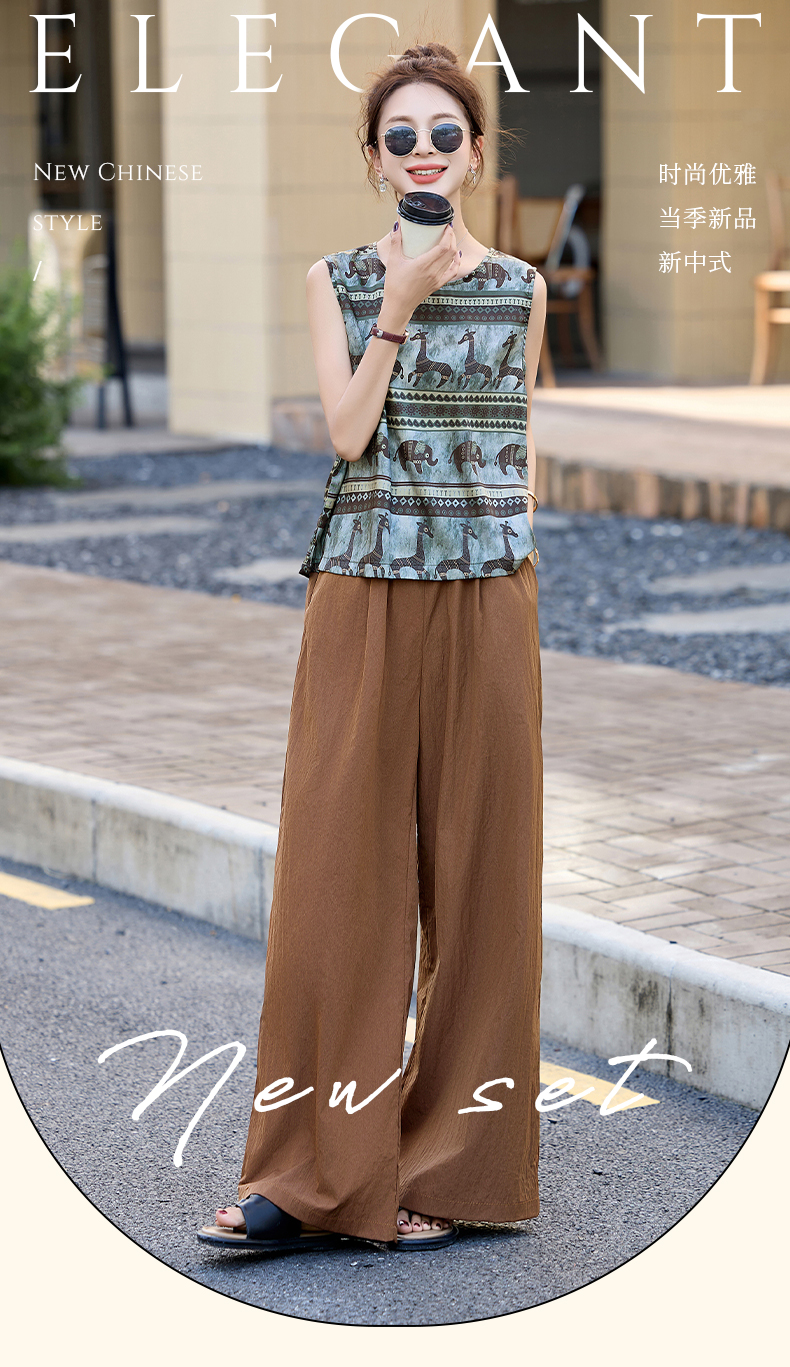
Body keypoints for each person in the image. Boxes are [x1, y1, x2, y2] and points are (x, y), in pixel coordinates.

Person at [198, 41, 547, 1254]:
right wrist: (397, 303)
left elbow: (516, 440)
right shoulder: (336, 280)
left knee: (486, 885)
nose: (423, 152)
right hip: (361, 586)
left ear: (476, 154)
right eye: (400, 137)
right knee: (336, 880)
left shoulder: (521, 286)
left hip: (488, 594)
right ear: (372, 160)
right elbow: (347, 434)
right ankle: (308, 1172)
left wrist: (512, 559)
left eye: (444, 134)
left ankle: (456, 1169)